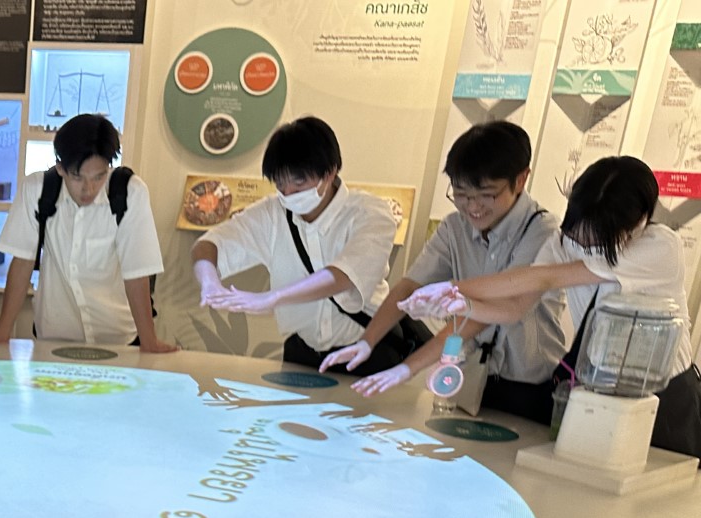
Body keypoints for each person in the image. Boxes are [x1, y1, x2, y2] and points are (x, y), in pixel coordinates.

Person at [401, 156, 701, 458]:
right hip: (598, 390)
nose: (583, 245)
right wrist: (464, 305)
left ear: (639, 221)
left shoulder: (660, 246)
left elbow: (546, 277)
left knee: (665, 480)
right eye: (578, 233)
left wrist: (453, 287)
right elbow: (515, 306)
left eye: (597, 240)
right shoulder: (565, 242)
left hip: (664, 394)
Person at [321, 122, 566, 421]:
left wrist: (407, 368)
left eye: (486, 194)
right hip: (470, 375)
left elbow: (495, 311)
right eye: (461, 194)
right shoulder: (454, 227)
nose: (472, 207)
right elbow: (407, 287)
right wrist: (367, 340)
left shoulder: (543, 232)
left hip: (529, 384)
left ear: (521, 179)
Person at [191, 116, 404, 377]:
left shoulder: (369, 213)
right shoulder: (272, 213)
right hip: (303, 352)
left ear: (330, 172)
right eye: (281, 184)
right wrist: (210, 283)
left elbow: (343, 276)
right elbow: (207, 245)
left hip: (367, 349)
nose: (289, 193)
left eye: (299, 183)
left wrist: (272, 298)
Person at [0, 113, 173, 351]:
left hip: (119, 337)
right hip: (54, 335)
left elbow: (137, 271)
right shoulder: (37, 190)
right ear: (60, 167)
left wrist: (149, 341)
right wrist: (2, 331)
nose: (89, 189)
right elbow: (23, 262)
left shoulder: (130, 192)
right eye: (78, 177)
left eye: (99, 176)